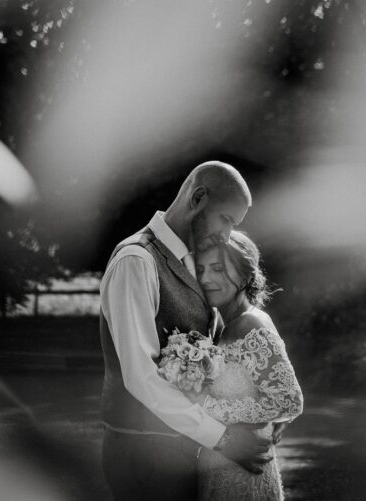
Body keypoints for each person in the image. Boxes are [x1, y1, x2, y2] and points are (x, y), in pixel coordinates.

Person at [100, 161, 273, 501]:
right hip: (142, 453)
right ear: (198, 198)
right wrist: (221, 437)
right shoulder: (136, 260)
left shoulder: (197, 261)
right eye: (226, 219)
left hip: (179, 451)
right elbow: (141, 375)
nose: (227, 234)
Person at [194, 230, 303, 500]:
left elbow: (289, 401)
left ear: (245, 275)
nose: (205, 279)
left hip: (244, 471)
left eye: (218, 268)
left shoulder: (252, 323)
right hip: (222, 462)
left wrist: (204, 406)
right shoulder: (222, 322)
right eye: (201, 269)